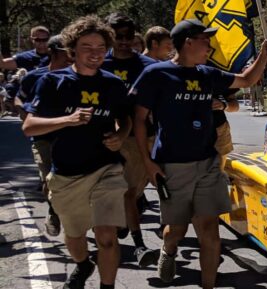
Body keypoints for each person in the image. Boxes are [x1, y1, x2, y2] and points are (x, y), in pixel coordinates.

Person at [130, 18, 267, 288]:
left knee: (209, 230)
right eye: (204, 40)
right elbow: (139, 119)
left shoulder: (207, 74)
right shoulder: (156, 75)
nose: (209, 45)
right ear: (187, 43)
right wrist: (147, 162)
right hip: (173, 165)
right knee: (177, 229)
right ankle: (168, 250)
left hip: (208, 162)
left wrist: (264, 57)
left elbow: (246, 80)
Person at [21, 16, 132, 289]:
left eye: (100, 47)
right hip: (67, 173)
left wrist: (120, 135)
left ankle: (108, 286)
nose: (95, 53)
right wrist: (66, 120)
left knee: (107, 236)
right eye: (87, 46)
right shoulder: (52, 82)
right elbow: (29, 127)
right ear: (72, 49)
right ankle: (83, 264)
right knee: (75, 237)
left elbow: (126, 119)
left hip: (107, 168)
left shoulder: (113, 84)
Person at [102, 12, 160, 262]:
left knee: (135, 191)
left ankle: (126, 222)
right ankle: (139, 246)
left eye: (127, 36)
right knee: (125, 192)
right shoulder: (99, 65)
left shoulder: (148, 67)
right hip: (113, 139)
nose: (123, 41)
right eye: (117, 36)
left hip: (147, 137)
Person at [17, 35, 73, 238]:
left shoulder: (78, 76)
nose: (72, 55)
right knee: (48, 180)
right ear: (55, 51)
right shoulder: (35, 76)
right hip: (43, 139)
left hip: (71, 138)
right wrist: (28, 118)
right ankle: (54, 211)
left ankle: (74, 220)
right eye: (68, 50)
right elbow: (19, 99)